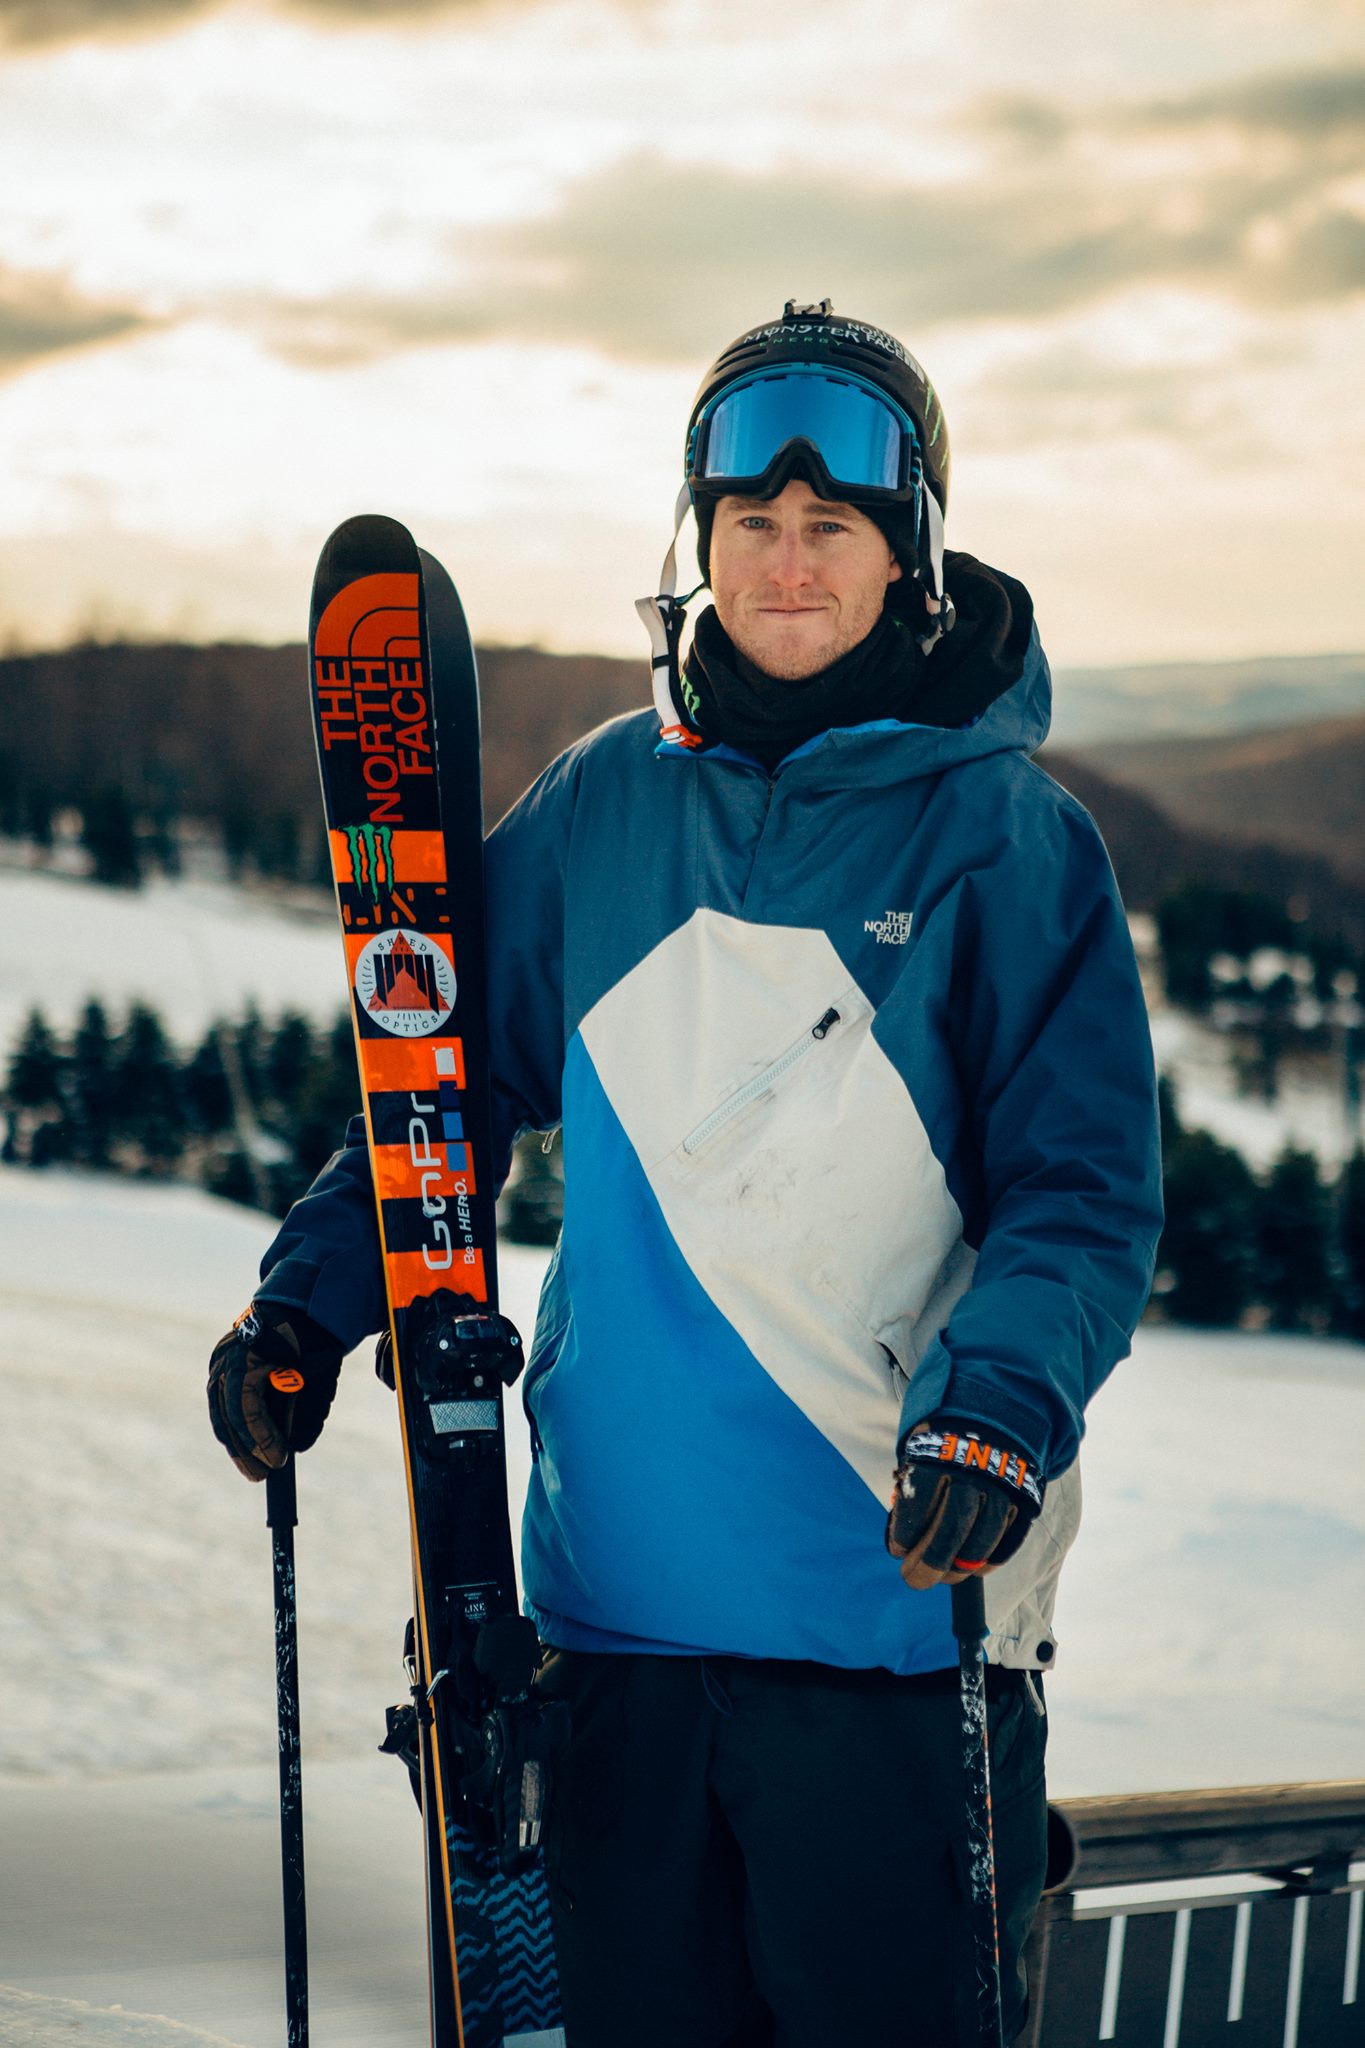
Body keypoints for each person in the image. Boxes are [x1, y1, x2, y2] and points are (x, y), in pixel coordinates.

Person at [208, 300, 1162, 2045]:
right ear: (697, 542)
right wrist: (305, 1307)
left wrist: (999, 1408)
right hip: (612, 1634)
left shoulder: (1008, 841)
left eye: (832, 525)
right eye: (752, 521)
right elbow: (435, 1091)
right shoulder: (603, 806)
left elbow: (1081, 1193)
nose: (787, 562)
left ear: (908, 553)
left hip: (897, 1629)